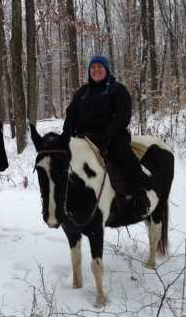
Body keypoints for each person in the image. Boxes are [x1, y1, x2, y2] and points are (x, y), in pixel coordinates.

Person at [62, 54, 150, 217]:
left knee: (123, 154)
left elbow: (123, 117)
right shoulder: (82, 92)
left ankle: (139, 196)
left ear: (106, 70)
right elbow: (71, 115)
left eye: (99, 67)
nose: (96, 70)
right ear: (89, 71)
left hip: (112, 137)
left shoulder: (117, 90)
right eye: (93, 67)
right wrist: (66, 135)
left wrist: (105, 135)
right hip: (83, 138)